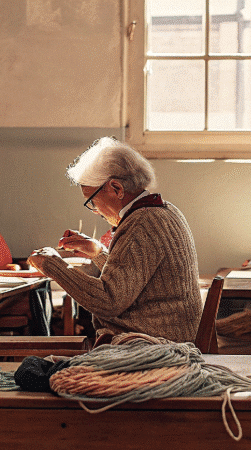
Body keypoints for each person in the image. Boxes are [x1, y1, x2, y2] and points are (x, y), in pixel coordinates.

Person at [27, 137, 202, 343]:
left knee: (36, 369)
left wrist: (52, 264)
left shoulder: (141, 223)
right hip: (171, 335)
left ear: (117, 188)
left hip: (155, 345)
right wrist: (98, 252)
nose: (95, 211)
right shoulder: (165, 210)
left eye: (92, 201)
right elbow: (132, 276)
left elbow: (108, 301)